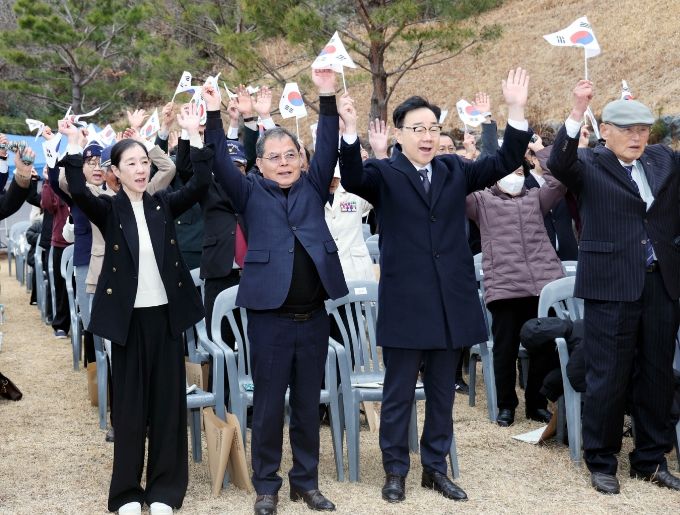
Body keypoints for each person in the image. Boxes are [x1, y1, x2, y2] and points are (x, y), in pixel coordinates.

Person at [340, 68, 532, 503]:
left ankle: (435, 468)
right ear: (399, 135)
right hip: (406, 304)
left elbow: (502, 161)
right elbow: (352, 179)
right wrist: (350, 132)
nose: (427, 136)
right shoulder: (384, 173)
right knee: (398, 394)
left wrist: (515, 110)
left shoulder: (452, 169)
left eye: (433, 128)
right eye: (418, 129)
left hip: (450, 303)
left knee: (443, 393)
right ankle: (395, 470)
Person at [203, 71, 349, 515]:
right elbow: (218, 160)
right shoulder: (247, 193)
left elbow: (329, 144)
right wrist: (213, 113)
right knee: (267, 408)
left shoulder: (313, 184)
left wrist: (327, 95)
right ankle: (266, 485)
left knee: (307, 406)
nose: (284, 163)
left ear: (301, 161)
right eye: (274, 157)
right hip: (269, 320)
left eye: (290, 155)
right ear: (259, 164)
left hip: (314, 317)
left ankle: (306, 483)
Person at [60, 102, 211, 515]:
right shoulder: (109, 209)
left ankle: (165, 490)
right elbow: (77, 190)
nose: (141, 170)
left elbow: (200, 183)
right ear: (116, 171)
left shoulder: (163, 204)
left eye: (144, 162)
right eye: (131, 163)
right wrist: (72, 145)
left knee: (167, 406)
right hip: (127, 322)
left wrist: (194, 135)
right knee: (129, 410)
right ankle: (127, 492)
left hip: (165, 319)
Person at [548, 80, 680, 494]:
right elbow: (559, 161)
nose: (637, 137)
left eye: (643, 129)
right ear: (605, 131)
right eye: (627, 130)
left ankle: (650, 459)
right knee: (608, 375)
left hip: (661, 283)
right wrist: (576, 110)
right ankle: (602, 460)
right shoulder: (588, 163)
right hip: (611, 285)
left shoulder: (662, 160)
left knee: (658, 374)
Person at [466, 152, 566, 427]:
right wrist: (476, 166)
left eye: (520, 173)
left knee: (544, 348)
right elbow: (458, 189)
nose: (514, 178)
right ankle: (506, 405)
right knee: (505, 350)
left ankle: (537, 404)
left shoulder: (536, 198)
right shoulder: (481, 201)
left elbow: (558, 182)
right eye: (507, 173)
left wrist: (541, 152)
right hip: (505, 288)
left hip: (542, 287)